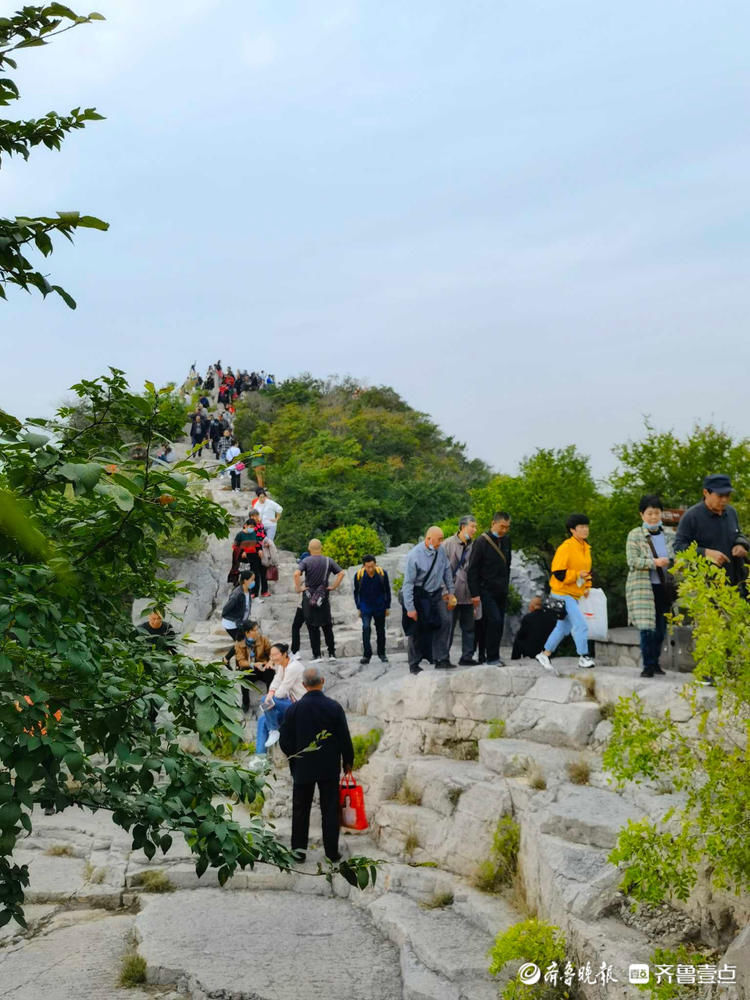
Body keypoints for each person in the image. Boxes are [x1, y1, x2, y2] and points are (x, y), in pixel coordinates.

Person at [279, 664, 354, 863]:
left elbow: (284, 740)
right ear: (323, 682)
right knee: (330, 809)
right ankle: (331, 852)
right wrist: (348, 761)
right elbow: (344, 737)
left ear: (303, 685)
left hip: (303, 768)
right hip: (329, 768)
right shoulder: (334, 707)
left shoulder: (293, 709)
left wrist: (294, 756)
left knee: (300, 809)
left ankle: (299, 853)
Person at [536, 514, 595, 675]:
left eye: (586, 526)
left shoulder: (586, 547)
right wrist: (577, 575)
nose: (585, 529)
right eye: (581, 527)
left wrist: (587, 586)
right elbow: (558, 573)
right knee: (581, 624)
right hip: (562, 593)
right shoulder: (566, 547)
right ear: (572, 530)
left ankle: (544, 654)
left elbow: (588, 572)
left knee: (563, 627)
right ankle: (584, 656)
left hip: (574, 594)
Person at [674, 475, 749, 593]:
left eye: (727, 495)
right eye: (720, 496)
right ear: (706, 492)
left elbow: (738, 534)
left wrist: (740, 545)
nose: (724, 500)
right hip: (705, 588)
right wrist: (705, 553)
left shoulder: (731, 512)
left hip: (734, 585)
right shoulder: (691, 516)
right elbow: (678, 547)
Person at [401, 527, 456, 674]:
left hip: (436, 594)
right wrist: (410, 608)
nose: (441, 542)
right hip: (420, 594)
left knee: (445, 621)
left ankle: (441, 658)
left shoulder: (441, 551)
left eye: (442, 539)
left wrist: (451, 592)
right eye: (439, 539)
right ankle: (414, 663)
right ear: (428, 539)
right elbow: (408, 584)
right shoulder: (415, 555)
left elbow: (447, 571)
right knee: (416, 628)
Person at [467, 512, 512, 666]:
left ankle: (492, 655)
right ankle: (491, 657)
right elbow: (472, 569)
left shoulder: (506, 540)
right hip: (485, 590)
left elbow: (508, 566)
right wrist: (474, 594)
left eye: (507, 527)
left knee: (498, 623)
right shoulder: (481, 542)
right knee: (494, 620)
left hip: (501, 590)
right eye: (502, 526)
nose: (504, 530)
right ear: (493, 523)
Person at [294, 540, 345, 662]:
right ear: (321, 548)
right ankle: (332, 654)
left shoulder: (306, 561)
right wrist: (333, 586)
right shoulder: (328, 560)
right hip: (323, 597)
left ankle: (317, 655)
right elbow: (341, 573)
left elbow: (296, 574)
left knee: (312, 626)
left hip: (309, 597)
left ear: (309, 549)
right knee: (327, 625)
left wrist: (299, 588)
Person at [443, 515, 480, 665]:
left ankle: (467, 656)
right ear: (463, 527)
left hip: (468, 593)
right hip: (452, 593)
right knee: (448, 627)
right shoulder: (448, 544)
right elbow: (442, 571)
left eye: (475, 527)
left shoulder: (474, 546)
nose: (474, 530)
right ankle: (443, 657)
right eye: (472, 526)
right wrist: (446, 592)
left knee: (469, 628)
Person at [257, 643, 306, 754]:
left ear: (284, 654)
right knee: (262, 720)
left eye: (276, 655)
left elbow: (281, 693)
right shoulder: (281, 666)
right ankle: (260, 758)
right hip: (289, 704)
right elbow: (276, 681)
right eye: (271, 655)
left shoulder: (293, 667)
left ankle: (274, 729)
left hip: (300, 706)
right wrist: (270, 692)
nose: (273, 658)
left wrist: (270, 697)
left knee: (265, 700)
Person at [353, 555, 391, 665]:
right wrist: (358, 607)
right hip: (365, 606)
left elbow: (387, 590)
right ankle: (366, 655)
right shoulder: (359, 575)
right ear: (364, 566)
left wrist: (387, 606)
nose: (370, 569)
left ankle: (382, 653)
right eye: (368, 567)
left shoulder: (382, 574)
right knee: (365, 628)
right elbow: (356, 593)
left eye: (372, 566)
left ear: (375, 564)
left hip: (380, 606)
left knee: (380, 630)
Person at [234, 620, 274, 712]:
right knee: (243, 677)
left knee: (270, 672)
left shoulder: (263, 639)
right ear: (247, 632)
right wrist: (253, 664)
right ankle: (245, 702)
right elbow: (241, 662)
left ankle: (269, 700)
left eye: (257, 629)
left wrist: (269, 662)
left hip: (263, 668)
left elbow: (271, 653)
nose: (257, 632)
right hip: (250, 669)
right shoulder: (239, 644)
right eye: (255, 630)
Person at [221, 569, 254, 665]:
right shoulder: (237, 594)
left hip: (240, 623)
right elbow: (225, 610)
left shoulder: (248, 590)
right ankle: (229, 661)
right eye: (252, 580)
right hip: (231, 624)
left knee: (241, 643)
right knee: (242, 643)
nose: (253, 582)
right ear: (245, 580)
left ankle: (228, 660)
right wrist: (235, 619)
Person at [229, 519, 264, 594]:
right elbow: (235, 546)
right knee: (244, 574)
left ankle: (255, 593)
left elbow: (258, 544)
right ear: (245, 525)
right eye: (250, 526)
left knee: (255, 574)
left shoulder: (254, 534)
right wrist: (242, 551)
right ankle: (242, 590)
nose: (252, 528)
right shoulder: (240, 535)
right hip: (244, 558)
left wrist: (260, 550)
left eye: (253, 527)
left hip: (254, 556)